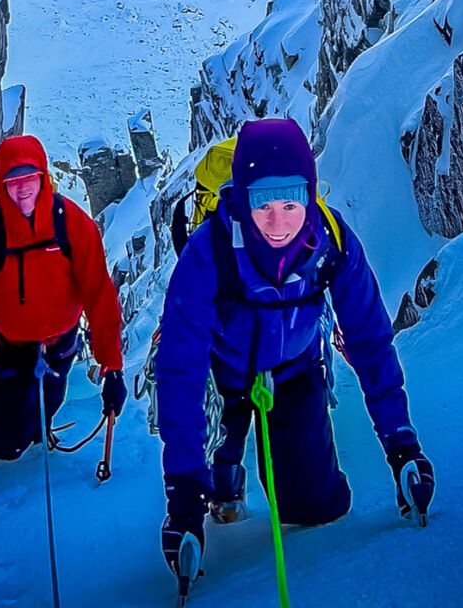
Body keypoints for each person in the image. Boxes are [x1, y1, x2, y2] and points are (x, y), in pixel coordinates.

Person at [156, 116, 434, 574]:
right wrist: (182, 498)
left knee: (317, 507)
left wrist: (401, 443)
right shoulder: (208, 253)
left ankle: (236, 473)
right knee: (216, 471)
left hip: (293, 368)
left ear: (310, 192)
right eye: (263, 202)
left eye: (292, 200)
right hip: (219, 376)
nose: (278, 221)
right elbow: (180, 369)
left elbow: (369, 339)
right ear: (241, 197)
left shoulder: (332, 242)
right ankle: (220, 482)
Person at [0, 134, 127, 461]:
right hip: (11, 349)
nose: (22, 188)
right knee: (8, 447)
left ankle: (34, 427)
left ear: (44, 177)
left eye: (30, 178)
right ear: (1, 184)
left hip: (60, 345)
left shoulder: (71, 223)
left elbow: (99, 296)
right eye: (12, 181)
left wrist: (112, 367)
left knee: (41, 417)